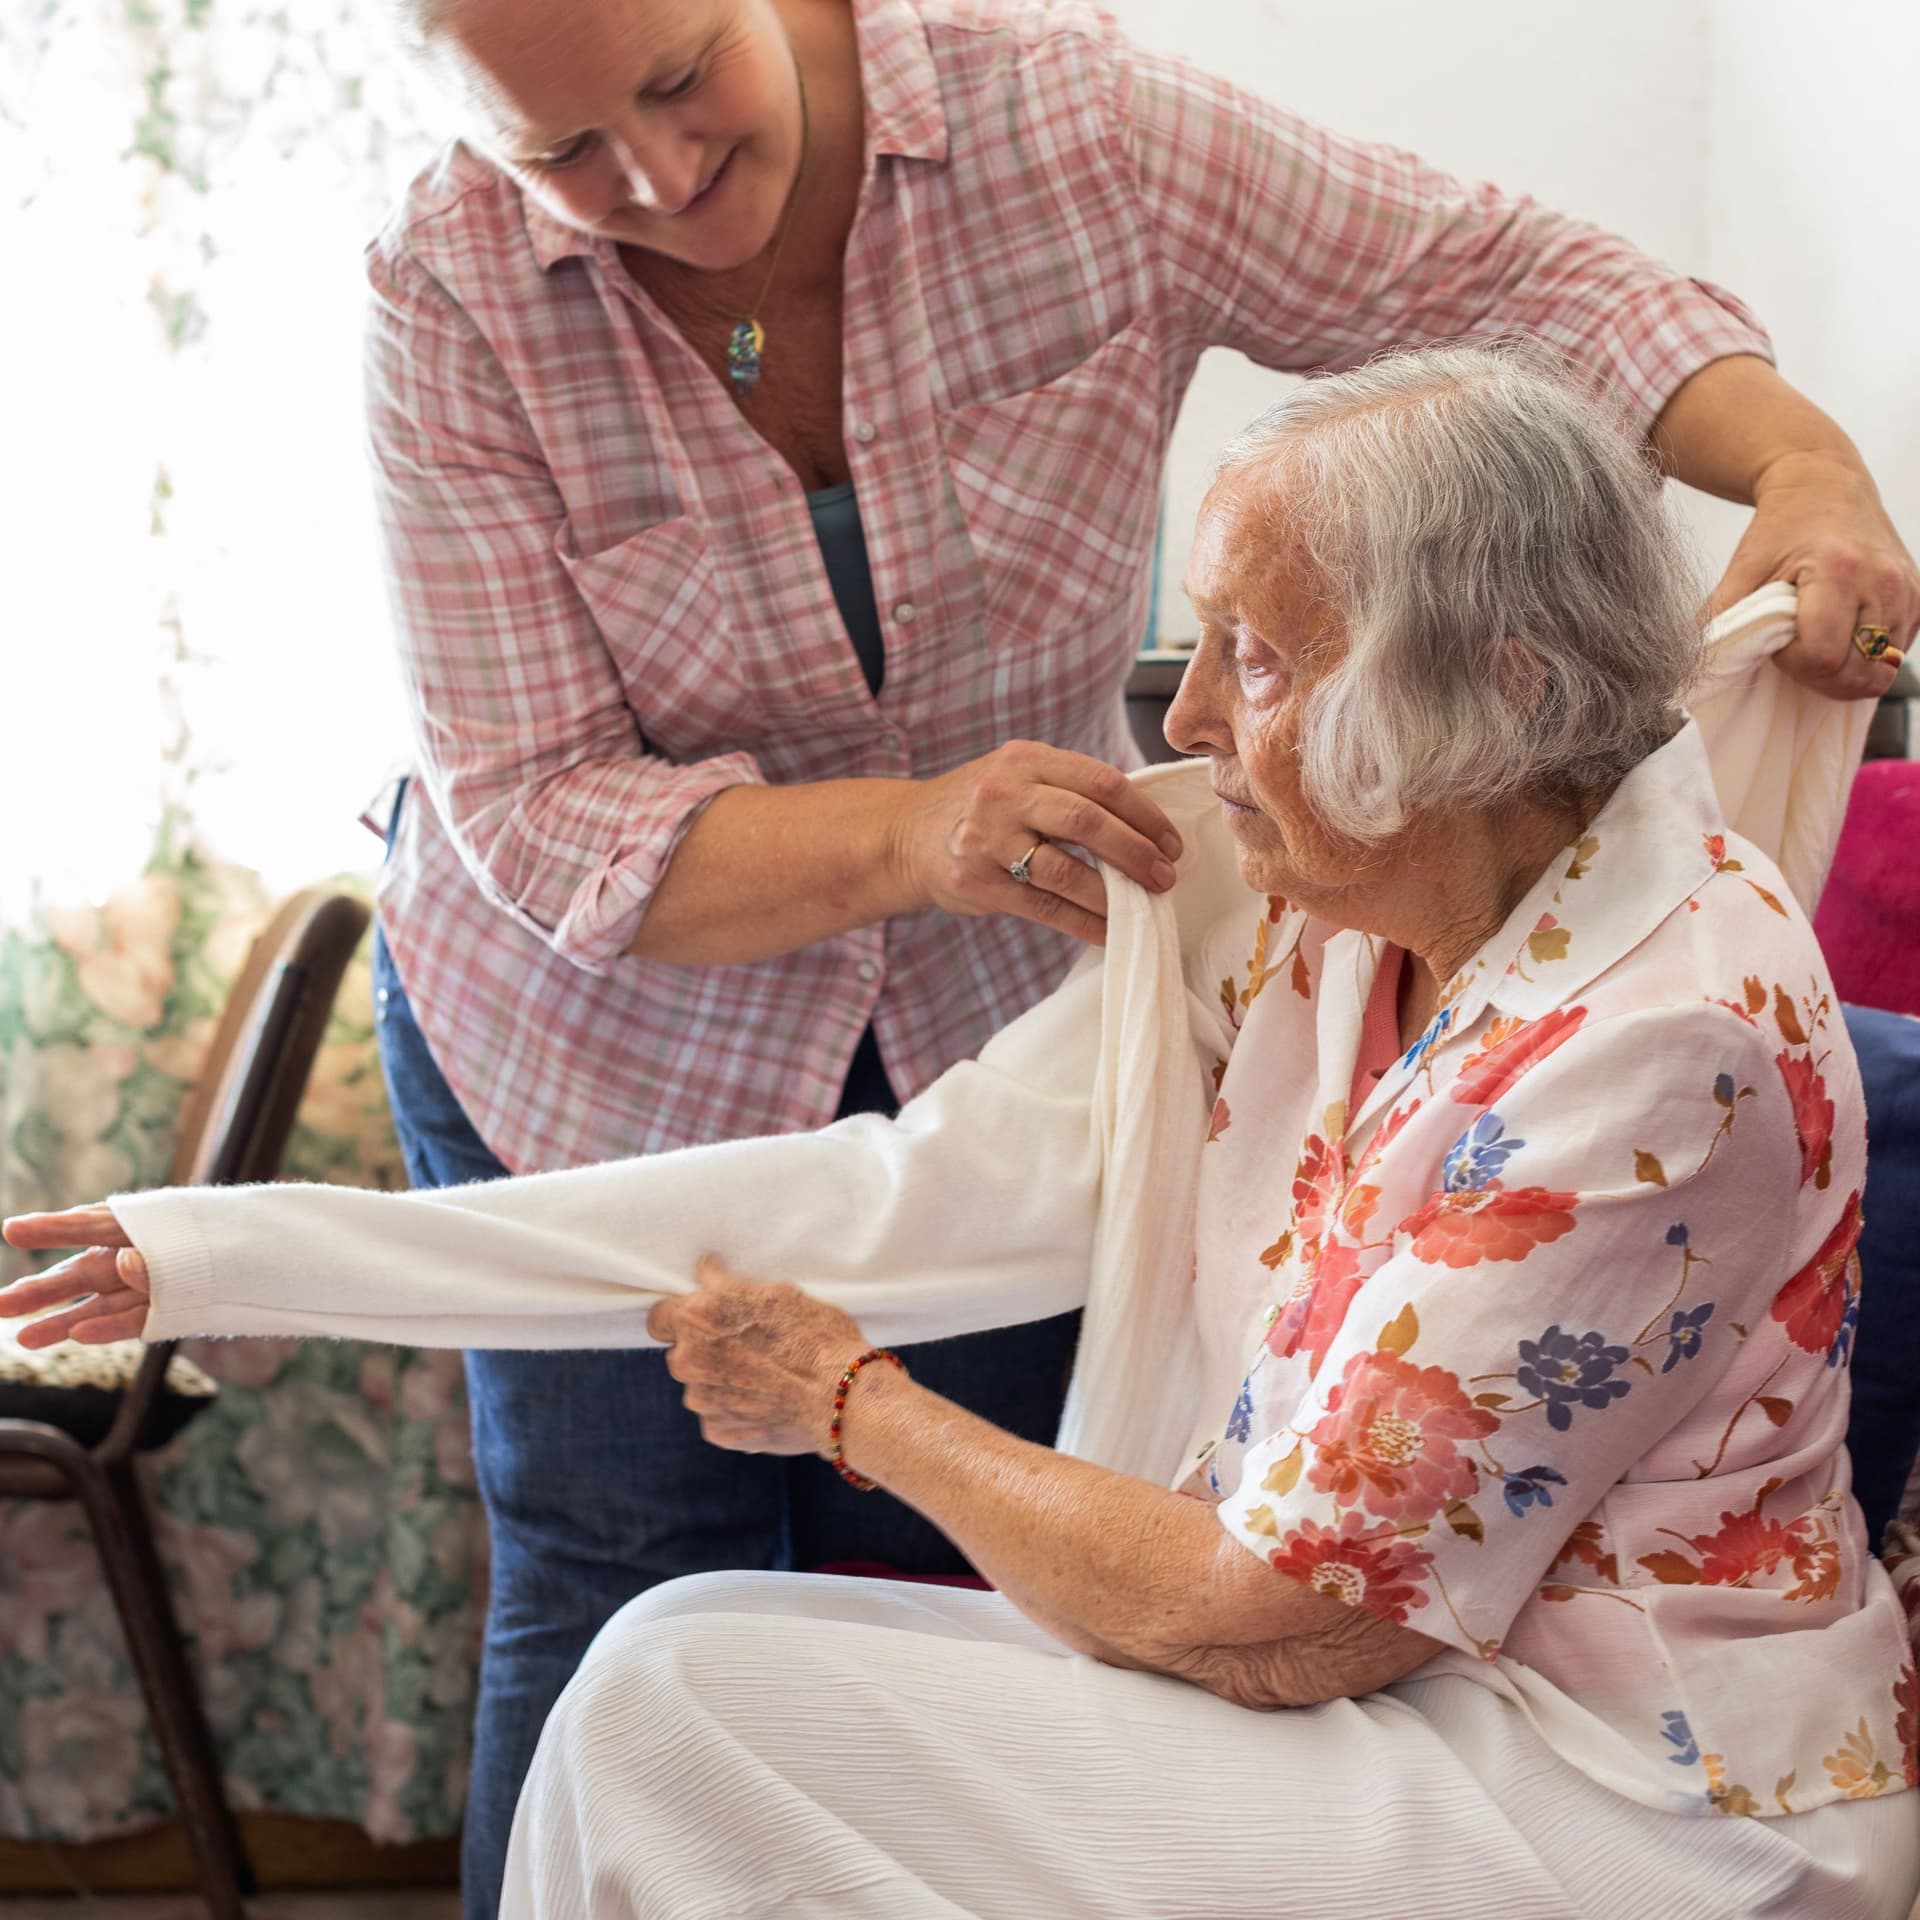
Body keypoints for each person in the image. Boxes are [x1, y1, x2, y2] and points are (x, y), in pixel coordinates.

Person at [9, 347, 1917, 1917]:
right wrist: (223, 1248)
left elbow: (1284, 1619)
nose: (1185, 713)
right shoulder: (1343, 912)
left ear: (1493, 695)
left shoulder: (1664, 1041)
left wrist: (858, 1407)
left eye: (1258, 655)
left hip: (1630, 1794)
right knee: (663, 1672)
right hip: (1402, 1672)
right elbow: (875, 1200)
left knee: (682, 1718)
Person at [361, 0, 1919, 1904]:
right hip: (609, 1023)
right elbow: (542, 820)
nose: (657, 181)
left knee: (748, 1685)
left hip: (1590, 1754)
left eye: (684, 82)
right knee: (623, 1599)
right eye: (560, 155)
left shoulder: (1070, 129)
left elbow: (1510, 276)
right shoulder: (1332, 923)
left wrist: (1810, 464)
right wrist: (224, 1252)